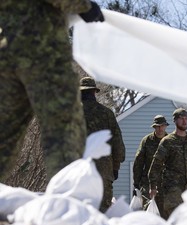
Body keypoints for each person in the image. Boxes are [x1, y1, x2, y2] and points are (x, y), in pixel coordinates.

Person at [0, 1, 104, 182]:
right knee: (63, 130)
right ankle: (67, 200)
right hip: (43, 47)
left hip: (6, 48)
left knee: (4, 132)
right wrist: (84, 6)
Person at [148, 108, 187, 219]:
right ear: (175, 121)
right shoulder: (167, 141)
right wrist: (152, 186)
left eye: (186, 119)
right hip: (172, 189)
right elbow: (156, 164)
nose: (184, 122)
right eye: (181, 119)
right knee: (176, 220)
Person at [80, 77, 125, 212]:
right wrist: (115, 167)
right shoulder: (107, 114)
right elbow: (118, 145)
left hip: (79, 170)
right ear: (94, 92)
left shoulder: (72, 114)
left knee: (79, 211)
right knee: (103, 212)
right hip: (103, 171)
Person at [133, 115, 169, 217]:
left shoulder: (170, 141)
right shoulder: (147, 140)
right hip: (147, 182)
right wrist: (136, 183)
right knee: (148, 210)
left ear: (165, 126)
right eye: (157, 126)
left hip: (166, 184)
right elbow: (138, 162)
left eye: (162, 126)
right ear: (154, 127)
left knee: (165, 213)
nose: (160, 129)